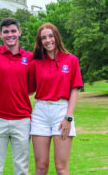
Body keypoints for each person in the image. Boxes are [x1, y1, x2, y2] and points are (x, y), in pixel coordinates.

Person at [28, 23, 83, 175]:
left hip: (62, 112)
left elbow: (74, 89)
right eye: (43, 38)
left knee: (61, 167)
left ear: (56, 37)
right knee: (40, 167)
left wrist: (68, 117)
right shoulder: (36, 62)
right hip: (40, 112)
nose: (48, 40)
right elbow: (29, 89)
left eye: (50, 36)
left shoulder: (71, 60)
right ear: (40, 42)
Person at [0, 18, 33, 175]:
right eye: (6, 32)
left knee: (21, 169)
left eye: (13, 31)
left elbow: (33, 86)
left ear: (19, 32)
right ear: (0, 34)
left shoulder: (30, 57)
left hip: (22, 119)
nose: (10, 35)